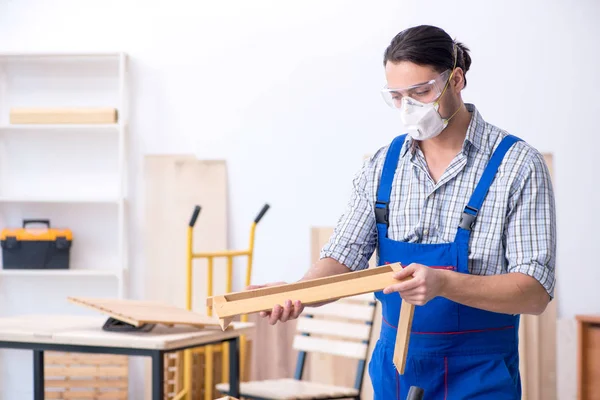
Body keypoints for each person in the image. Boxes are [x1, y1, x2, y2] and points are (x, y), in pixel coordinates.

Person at [250, 25, 556, 399]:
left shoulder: (517, 166)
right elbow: (344, 256)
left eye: (421, 92)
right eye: (396, 96)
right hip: (395, 371)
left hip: (479, 374)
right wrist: (299, 292)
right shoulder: (382, 166)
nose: (409, 107)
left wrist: (444, 283)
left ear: (456, 80)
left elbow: (535, 294)